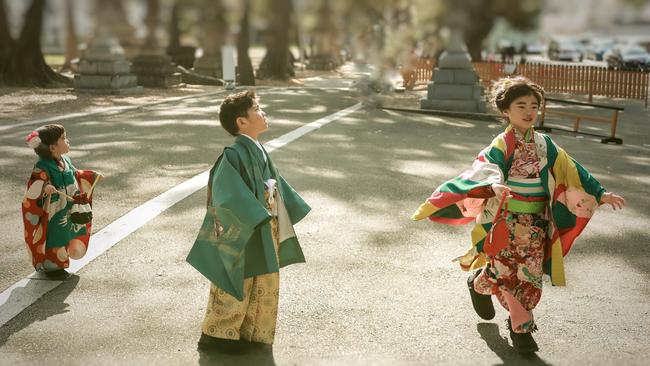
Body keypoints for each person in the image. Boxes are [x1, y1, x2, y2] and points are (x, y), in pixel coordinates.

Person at [411, 76, 625, 353]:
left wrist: (600, 193)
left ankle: (478, 284)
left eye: (534, 106)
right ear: (506, 111)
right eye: (521, 106)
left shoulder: (545, 144)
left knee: (529, 275)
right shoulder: (502, 143)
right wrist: (494, 184)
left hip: (535, 223)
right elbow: (486, 165)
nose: (529, 112)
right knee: (505, 274)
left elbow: (572, 170)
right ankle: (521, 328)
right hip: (506, 220)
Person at [187, 90, 311, 349]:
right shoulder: (232, 154)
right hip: (247, 224)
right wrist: (255, 213)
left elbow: (276, 185)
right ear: (241, 122)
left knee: (263, 277)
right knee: (238, 276)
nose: (263, 113)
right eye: (257, 109)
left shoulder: (259, 150)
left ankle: (251, 332)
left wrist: (279, 203)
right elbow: (226, 192)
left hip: (264, 222)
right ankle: (218, 335)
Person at [22, 124, 102, 280]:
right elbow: (35, 185)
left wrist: (91, 175)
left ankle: (61, 260)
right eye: (64, 138)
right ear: (52, 147)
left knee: (67, 233)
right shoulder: (42, 166)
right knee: (55, 236)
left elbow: (75, 174)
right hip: (52, 210)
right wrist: (46, 187)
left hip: (67, 207)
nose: (68, 140)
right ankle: (53, 267)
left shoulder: (66, 160)